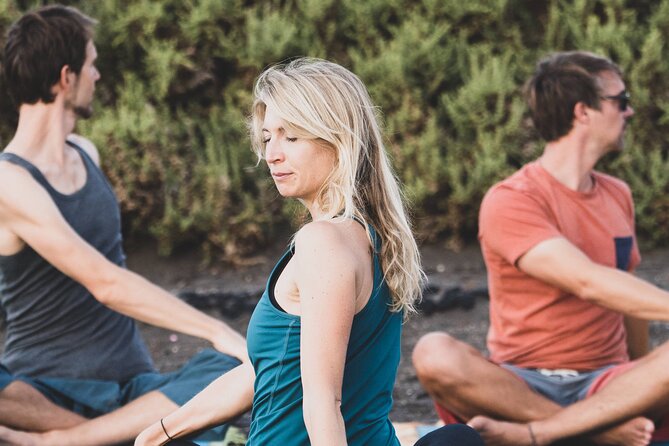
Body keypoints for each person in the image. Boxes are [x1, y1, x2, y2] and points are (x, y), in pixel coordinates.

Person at [135, 58, 484, 445]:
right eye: (268, 138)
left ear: (337, 140)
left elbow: (323, 401)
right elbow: (267, 370)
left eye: (292, 137)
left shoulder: (324, 243)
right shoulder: (373, 236)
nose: (272, 154)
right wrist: (161, 432)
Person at [0, 4, 247, 445]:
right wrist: (216, 329)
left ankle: (69, 441)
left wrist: (226, 348)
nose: (97, 76)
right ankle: (115, 436)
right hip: (45, 391)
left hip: (134, 390)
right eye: (92, 65)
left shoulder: (86, 154)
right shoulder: (9, 180)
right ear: (65, 77)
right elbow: (106, 282)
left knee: (234, 369)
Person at [412, 50, 669, 446]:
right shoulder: (512, 199)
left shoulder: (618, 195)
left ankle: (549, 432)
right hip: (521, 386)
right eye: (622, 101)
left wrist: (641, 381)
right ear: (583, 111)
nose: (630, 112)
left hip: (606, 381)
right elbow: (588, 282)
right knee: (433, 352)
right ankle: (593, 432)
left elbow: (626, 296)